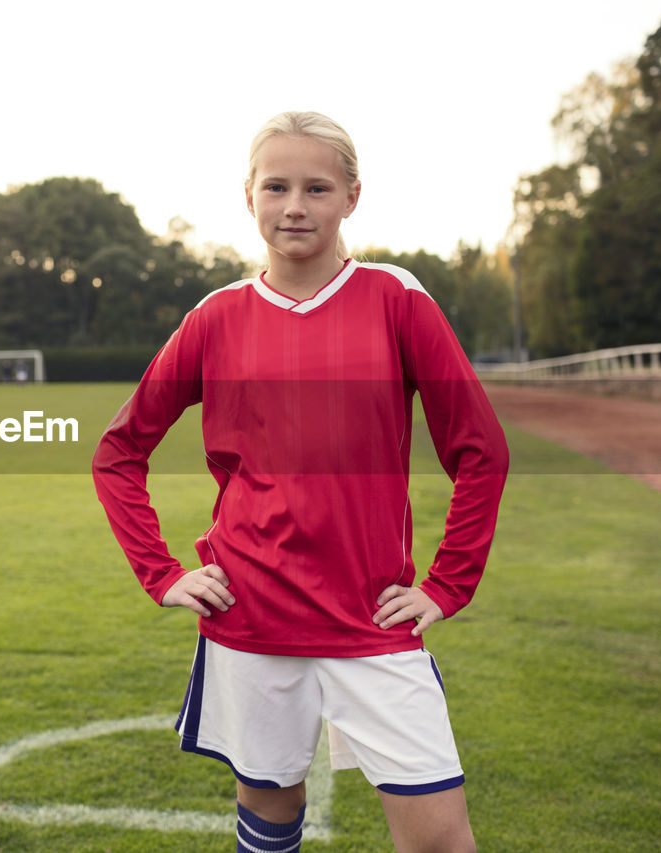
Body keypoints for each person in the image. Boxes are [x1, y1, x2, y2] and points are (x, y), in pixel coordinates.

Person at [92, 111, 508, 853]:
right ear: (247, 196)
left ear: (352, 196)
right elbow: (119, 450)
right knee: (270, 820)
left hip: (373, 624)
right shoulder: (214, 318)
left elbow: (481, 450)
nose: (294, 205)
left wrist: (448, 585)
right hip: (251, 619)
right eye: (276, 186)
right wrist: (161, 573)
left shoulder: (397, 299)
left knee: (441, 838)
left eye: (317, 187)